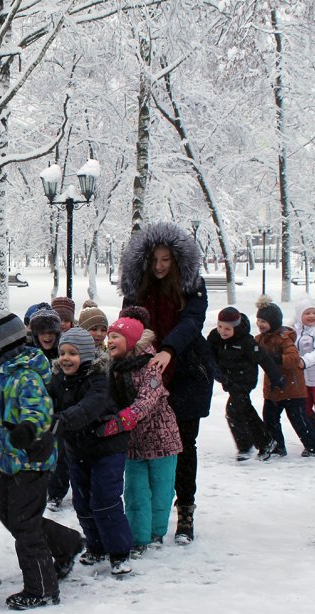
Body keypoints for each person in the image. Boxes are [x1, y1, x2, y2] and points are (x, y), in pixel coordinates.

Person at [0, 311, 82, 611]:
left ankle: (42, 588)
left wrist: (28, 430)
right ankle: (67, 544)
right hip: (9, 462)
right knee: (11, 517)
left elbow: (38, 411)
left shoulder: (27, 375)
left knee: (23, 524)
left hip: (32, 461)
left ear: (3, 346)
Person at [117, 221, 213, 544]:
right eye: (154, 260)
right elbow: (128, 325)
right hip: (145, 376)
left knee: (184, 446)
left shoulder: (192, 287)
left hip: (185, 373)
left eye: (166, 260)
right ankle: (149, 519)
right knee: (146, 448)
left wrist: (169, 350)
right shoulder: (137, 289)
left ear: (176, 261)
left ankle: (184, 510)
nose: (159, 267)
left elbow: (192, 321)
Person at [50, 327, 132, 576]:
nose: (65, 358)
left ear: (85, 357)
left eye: (72, 353)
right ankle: (96, 546)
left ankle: (119, 552)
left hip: (107, 450)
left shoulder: (98, 380)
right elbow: (45, 401)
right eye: (62, 352)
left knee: (105, 500)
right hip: (77, 451)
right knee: (82, 501)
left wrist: (59, 421)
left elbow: (89, 407)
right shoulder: (57, 381)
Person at [104, 311, 182, 556]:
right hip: (133, 442)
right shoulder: (111, 367)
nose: (110, 341)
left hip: (162, 439)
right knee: (136, 491)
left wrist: (120, 421)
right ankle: (138, 537)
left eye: (116, 336)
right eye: (110, 336)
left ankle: (156, 532)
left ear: (131, 341)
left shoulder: (151, 367)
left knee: (161, 489)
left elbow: (145, 402)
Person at [206, 307, 282, 462]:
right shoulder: (215, 337)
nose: (223, 332)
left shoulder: (246, 341)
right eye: (220, 326)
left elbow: (264, 359)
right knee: (245, 410)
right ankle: (266, 442)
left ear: (236, 326)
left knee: (233, 411)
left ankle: (247, 445)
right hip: (229, 380)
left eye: (228, 328)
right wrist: (216, 372)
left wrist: (277, 378)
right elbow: (208, 356)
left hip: (244, 381)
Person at [254, 297, 315, 457]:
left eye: (264, 321)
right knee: (270, 419)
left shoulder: (284, 338)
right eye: (259, 320)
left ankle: (312, 444)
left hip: (293, 388)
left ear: (274, 322)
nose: (261, 324)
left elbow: (293, 358)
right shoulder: (261, 339)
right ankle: (278, 446)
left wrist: (276, 359)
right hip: (273, 387)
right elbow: (251, 349)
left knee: (298, 420)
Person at [28, 306, 68, 511]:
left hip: (58, 410)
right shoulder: (29, 356)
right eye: (42, 332)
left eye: (51, 332)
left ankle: (56, 492)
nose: (47, 336)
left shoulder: (63, 354)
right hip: (35, 411)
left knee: (60, 454)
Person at [293, 297, 315, 423]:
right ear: (299, 315)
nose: (312, 316)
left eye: (314, 312)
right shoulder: (294, 331)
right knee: (304, 409)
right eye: (307, 313)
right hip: (303, 379)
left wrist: (304, 361)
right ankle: (313, 435)